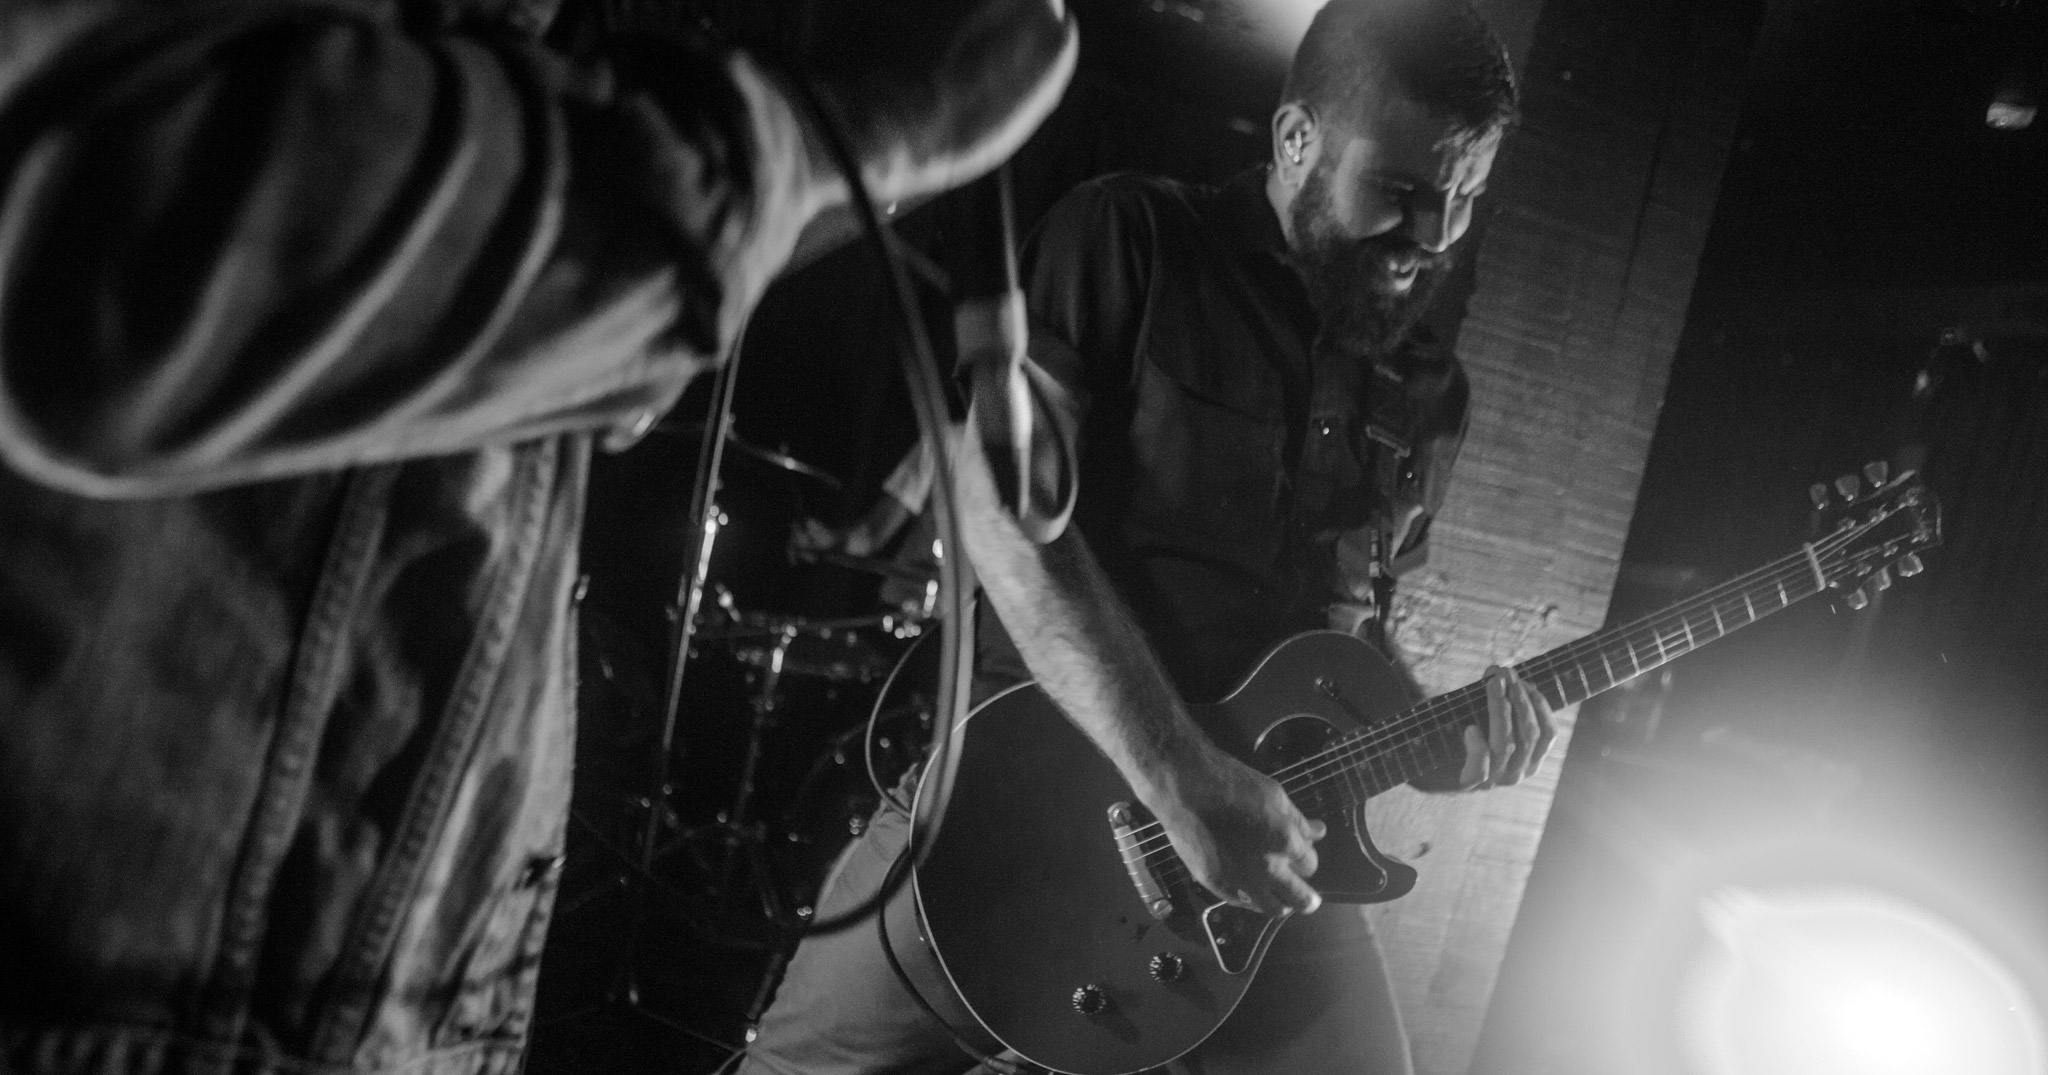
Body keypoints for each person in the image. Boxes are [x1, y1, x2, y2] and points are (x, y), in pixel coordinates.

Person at [0, 1, 1074, 1072]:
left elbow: (534, 335)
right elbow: (109, 243)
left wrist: (847, 151)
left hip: (317, 999)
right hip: (135, 984)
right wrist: (850, 123)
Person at [746, 2, 1555, 1074]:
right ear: (1295, 140)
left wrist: (1433, 740)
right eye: (1402, 192)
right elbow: (1001, 514)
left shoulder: (1425, 394)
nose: (1435, 238)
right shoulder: (1129, 236)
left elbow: (1347, 636)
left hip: (1267, 846)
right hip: (1021, 797)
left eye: (1462, 201)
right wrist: (1178, 780)